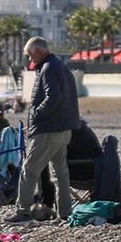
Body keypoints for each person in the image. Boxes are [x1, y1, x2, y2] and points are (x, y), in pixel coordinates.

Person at [6, 37, 80, 224]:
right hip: (64, 129)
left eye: (30, 55)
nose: (30, 59)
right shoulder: (62, 67)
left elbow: (53, 97)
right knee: (61, 174)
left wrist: (36, 115)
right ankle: (65, 213)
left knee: (29, 170)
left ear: (38, 51)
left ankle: (23, 212)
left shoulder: (48, 68)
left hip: (49, 130)